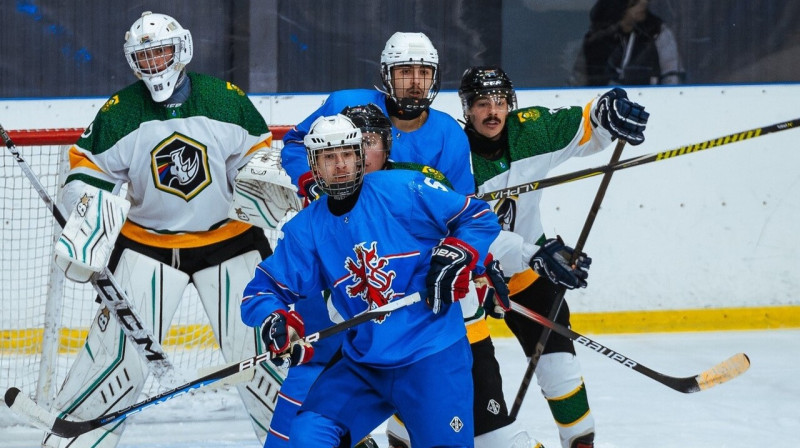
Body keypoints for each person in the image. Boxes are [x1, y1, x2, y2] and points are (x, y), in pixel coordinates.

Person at [44, 11, 287, 448]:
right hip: (148, 244)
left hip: (230, 242)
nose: (155, 62)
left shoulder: (224, 98)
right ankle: (76, 438)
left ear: (181, 50)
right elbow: (85, 169)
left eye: (161, 51)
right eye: (145, 55)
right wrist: (90, 209)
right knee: (117, 361)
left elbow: (257, 155)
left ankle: (303, 438)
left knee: (264, 358)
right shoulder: (120, 112)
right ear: (134, 62)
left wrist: (261, 181)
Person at [241, 113, 503, 447]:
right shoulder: (307, 228)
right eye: (328, 157)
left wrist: (460, 253)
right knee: (306, 436)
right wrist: (274, 320)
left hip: (431, 355)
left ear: (360, 156)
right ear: (314, 166)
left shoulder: (403, 189)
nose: (340, 165)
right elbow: (262, 291)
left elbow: (477, 216)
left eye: (347, 154)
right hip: (365, 364)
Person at [458, 66, 648, 448]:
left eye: (500, 102)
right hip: (469, 279)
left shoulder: (533, 131)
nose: (493, 112)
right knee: (468, 375)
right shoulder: (451, 155)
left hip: (530, 268)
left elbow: (588, 125)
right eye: (482, 104)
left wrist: (608, 109)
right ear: (467, 109)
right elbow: (460, 230)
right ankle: (404, 428)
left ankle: (580, 440)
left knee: (559, 363)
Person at [281, 31, 474, 199]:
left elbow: (461, 202)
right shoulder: (346, 105)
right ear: (386, 75)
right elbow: (296, 145)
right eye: (406, 71)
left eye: (424, 72)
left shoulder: (449, 133)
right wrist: (310, 182)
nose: (416, 82)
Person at [573, 0, 685, 86]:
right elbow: (578, 80)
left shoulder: (657, 31)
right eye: (635, 2)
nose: (644, 3)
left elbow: (672, 75)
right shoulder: (597, 39)